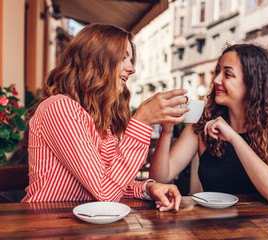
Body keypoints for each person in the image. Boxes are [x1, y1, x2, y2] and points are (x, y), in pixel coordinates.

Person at [22, 24, 190, 212]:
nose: (132, 68)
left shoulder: (100, 118)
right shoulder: (60, 108)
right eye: (123, 58)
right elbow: (105, 193)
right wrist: (142, 121)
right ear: (96, 58)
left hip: (87, 224)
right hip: (48, 225)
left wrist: (147, 188)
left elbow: (111, 181)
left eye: (131, 60)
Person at [149, 43, 268, 206]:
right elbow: (160, 178)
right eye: (217, 72)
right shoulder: (203, 124)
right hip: (211, 227)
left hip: (262, 228)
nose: (216, 80)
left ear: (252, 83)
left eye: (227, 74)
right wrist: (166, 131)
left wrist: (234, 138)